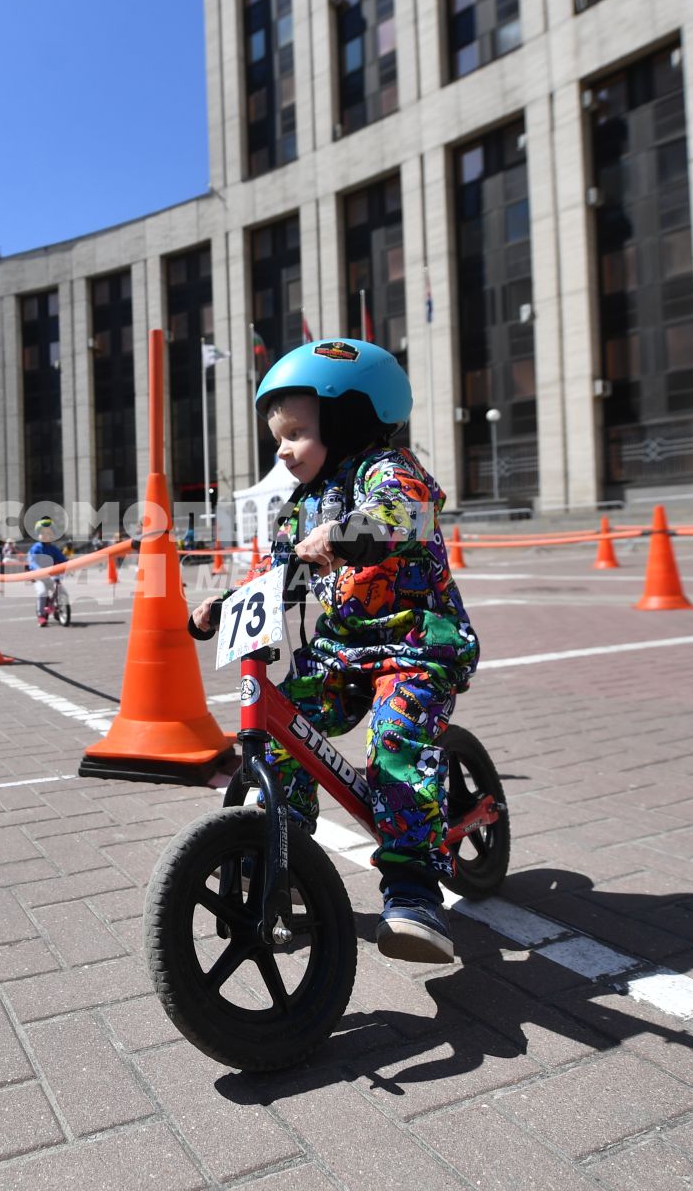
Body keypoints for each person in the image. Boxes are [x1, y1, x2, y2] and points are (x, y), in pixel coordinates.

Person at [186, 337, 478, 965]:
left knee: (396, 741)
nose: (282, 450)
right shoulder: (298, 510)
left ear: (347, 418)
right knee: (285, 725)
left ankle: (414, 889)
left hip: (416, 645)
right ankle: (287, 853)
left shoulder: (391, 471)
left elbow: (406, 513)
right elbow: (280, 579)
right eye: (277, 438)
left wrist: (352, 535)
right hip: (342, 653)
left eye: (295, 433)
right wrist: (228, 604)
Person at [25, 516, 66, 627]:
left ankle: (59, 608)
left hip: (51, 576)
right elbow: (32, 560)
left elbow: (62, 559)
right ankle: (41, 615)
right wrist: (38, 569)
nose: (46, 535)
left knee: (61, 591)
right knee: (42, 593)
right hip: (39, 577)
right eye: (43, 533)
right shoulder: (36, 548)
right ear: (38, 535)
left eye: (49, 533)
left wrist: (69, 565)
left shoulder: (53, 549)